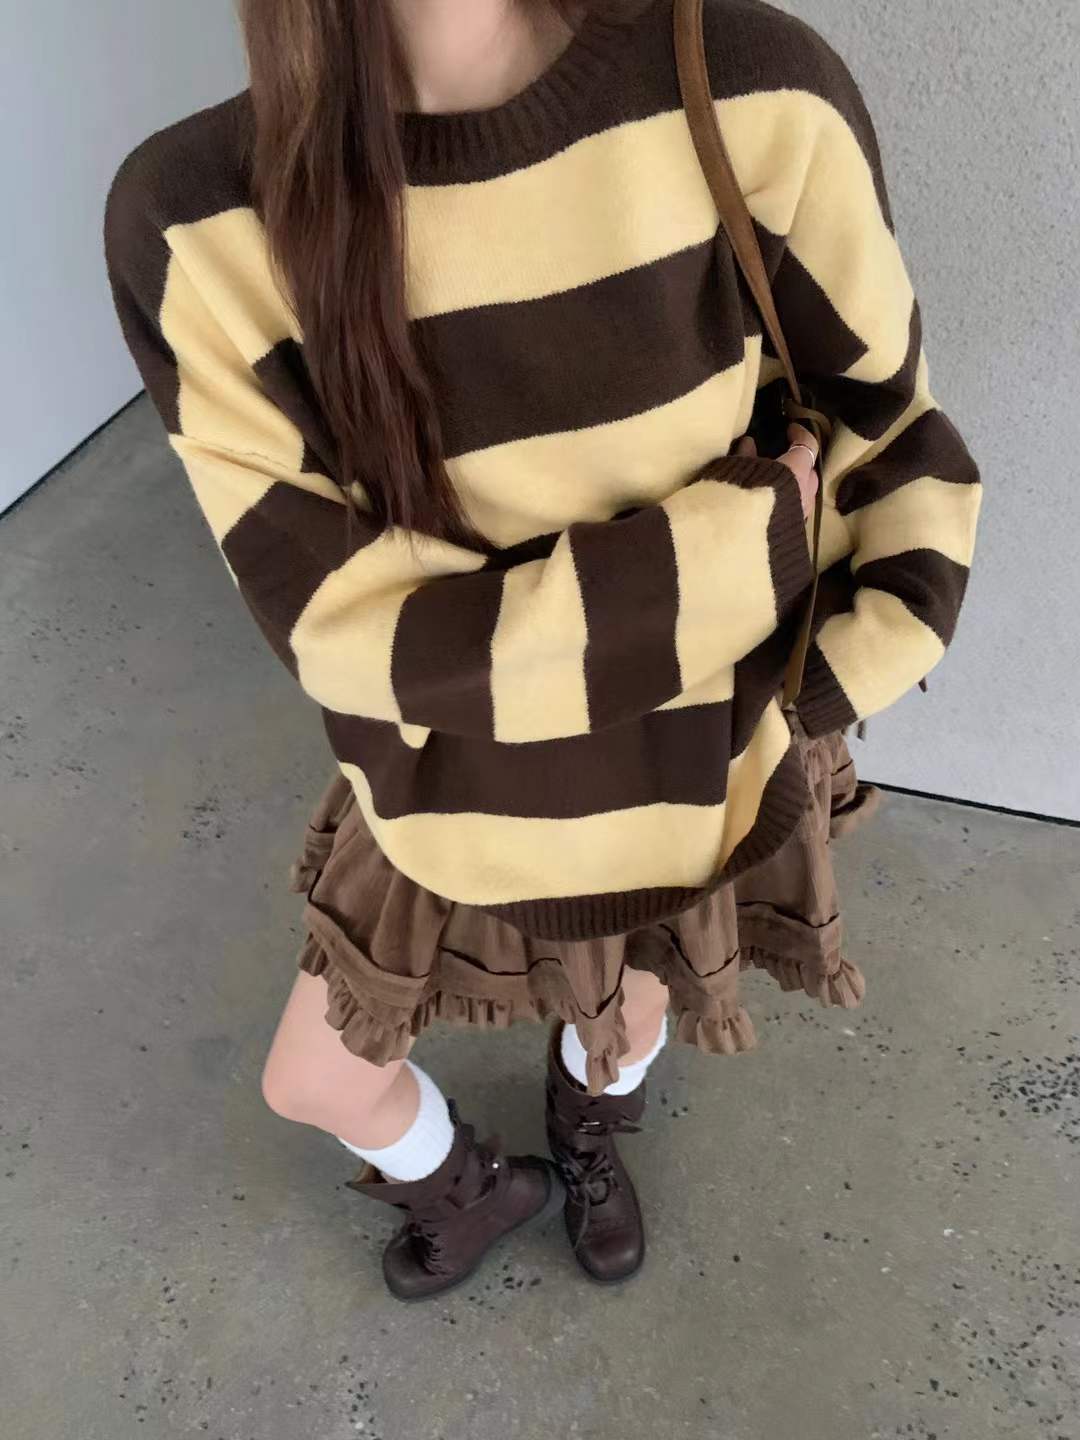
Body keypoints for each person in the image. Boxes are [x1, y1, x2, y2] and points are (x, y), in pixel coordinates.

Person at [104, 0, 981, 1301]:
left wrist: (828, 676)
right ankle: (472, 1184)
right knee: (315, 1076)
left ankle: (586, 1133)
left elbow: (884, 429)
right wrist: (733, 557)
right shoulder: (197, 216)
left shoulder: (753, 88)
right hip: (455, 794)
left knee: (634, 1008)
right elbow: (348, 633)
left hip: (698, 767)